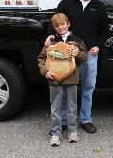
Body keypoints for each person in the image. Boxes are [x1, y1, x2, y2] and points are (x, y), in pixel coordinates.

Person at [46, 0, 109, 134]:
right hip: (67, 54)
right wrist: (50, 35)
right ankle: (64, 121)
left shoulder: (99, 6)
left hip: (88, 54)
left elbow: (105, 31)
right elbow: (55, 22)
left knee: (88, 88)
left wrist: (98, 46)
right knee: (66, 87)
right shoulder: (66, 3)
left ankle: (86, 119)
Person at [38, 13, 88, 147]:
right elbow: (41, 59)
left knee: (71, 108)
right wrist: (45, 72)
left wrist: (77, 53)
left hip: (71, 79)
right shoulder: (51, 41)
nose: (60, 27)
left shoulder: (77, 40)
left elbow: (84, 57)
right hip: (54, 79)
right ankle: (55, 133)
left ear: (68, 24)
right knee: (55, 108)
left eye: (62, 24)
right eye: (57, 26)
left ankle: (72, 131)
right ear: (54, 28)